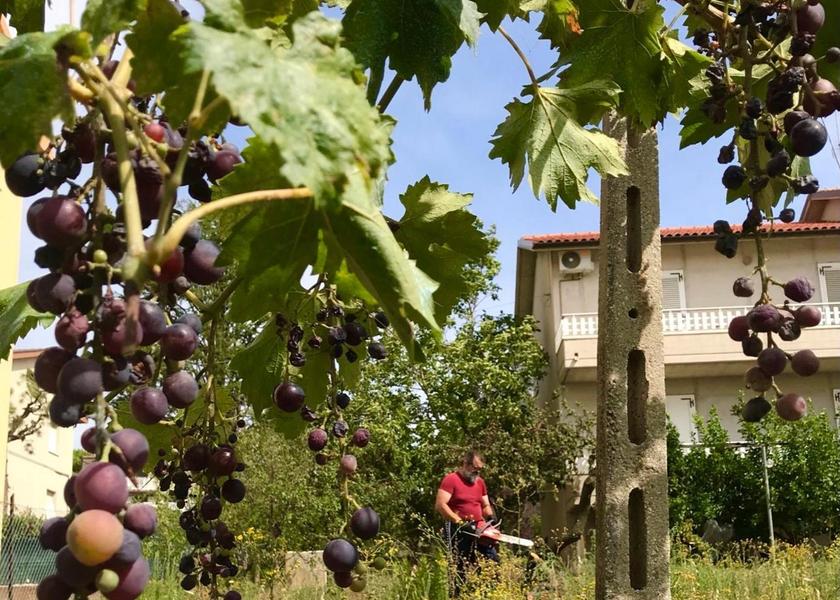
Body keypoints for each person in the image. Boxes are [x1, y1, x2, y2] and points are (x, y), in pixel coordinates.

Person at [435, 450, 499, 596]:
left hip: (479, 529)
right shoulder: (451, 480)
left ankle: (487, 595)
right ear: (465, 464)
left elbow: (485, 505)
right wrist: (459, 522)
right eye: (475, 468)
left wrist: (490, 517)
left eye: (480, 469)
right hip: (458, 529)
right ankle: (457, 596)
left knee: (492, 563)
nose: (477, 472)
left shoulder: (480, 482)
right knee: (459, 569)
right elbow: (441, 505)